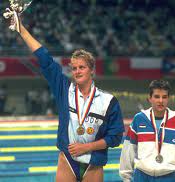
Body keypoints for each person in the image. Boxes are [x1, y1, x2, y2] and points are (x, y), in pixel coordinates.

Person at [8, 18, 125, 181]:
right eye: (74, 68)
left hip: (93, 164)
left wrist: (87, 147)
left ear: (92, 70)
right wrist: (21, 30)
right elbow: (45, 59)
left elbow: (115, 137)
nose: (77, 71)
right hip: (67, 161)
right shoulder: (65, 90)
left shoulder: (108, 101)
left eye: (82, 67)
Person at [119, 80, 175, 182]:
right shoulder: (139, 119)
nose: (160, 101)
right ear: (150, 98)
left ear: (168, 99)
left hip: (168, 177)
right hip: (142, 176)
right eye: (157, 96)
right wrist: (126, 178)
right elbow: (128, 150)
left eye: (164, 97)